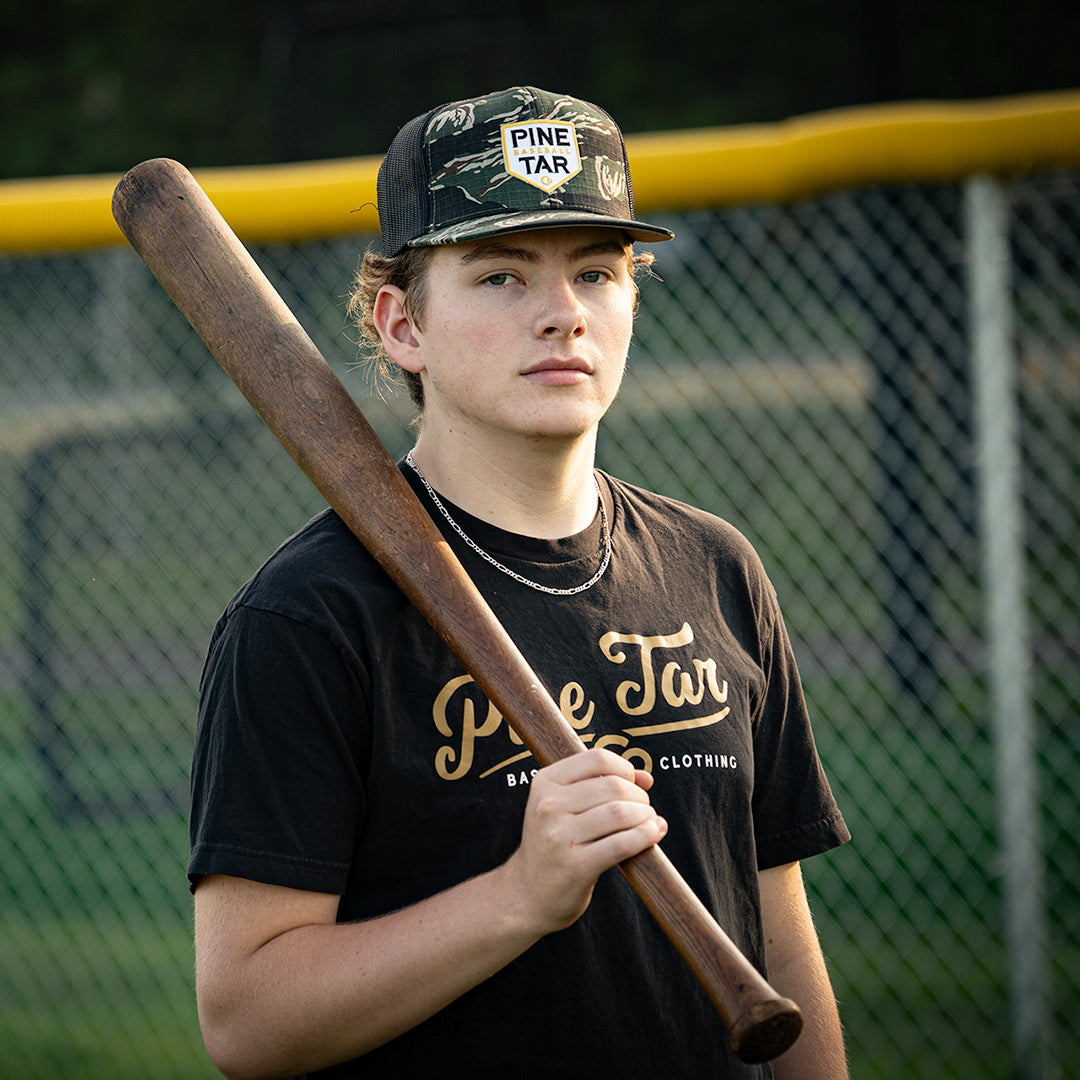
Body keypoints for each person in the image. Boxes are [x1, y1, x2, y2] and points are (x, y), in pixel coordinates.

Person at [188, 85, 851, 1079]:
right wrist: (517, 898)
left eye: (596, 271)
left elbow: (780, 940)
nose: (562, 315)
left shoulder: (715, 568)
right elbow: (249, 1021)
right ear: (402, 325)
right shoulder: (310, 617)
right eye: (501, 277)